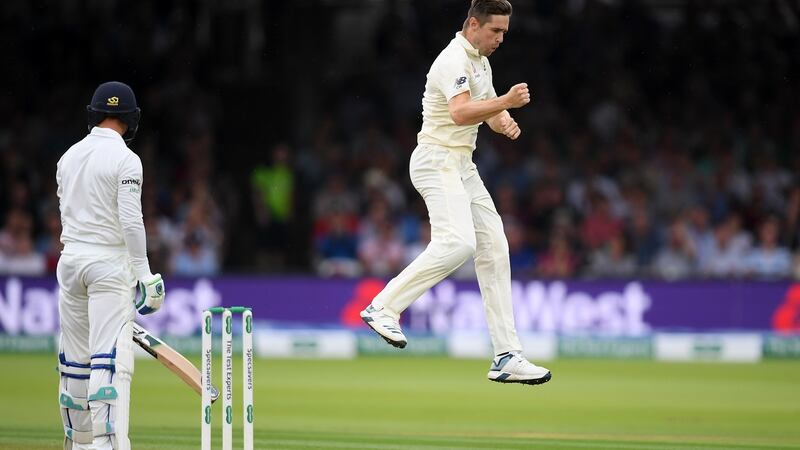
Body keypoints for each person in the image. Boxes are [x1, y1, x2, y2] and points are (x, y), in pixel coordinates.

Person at [360, 0, 551, 385]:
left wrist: (505, 119)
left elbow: (488, 113)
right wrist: (505, 102)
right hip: (436, 159)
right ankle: (382, 307)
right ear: (473, 23)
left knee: (494, 246)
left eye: (504, 33)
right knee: (459, 244)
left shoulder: (481, 62)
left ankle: (507, 355)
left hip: (462, 164)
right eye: (495, 31)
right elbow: (461, 113)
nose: (500, 39)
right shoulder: (452, 60)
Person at [56, 81, 165, 450]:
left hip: (70, 261)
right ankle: (107, 445)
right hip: (108, 265)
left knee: (74, 358)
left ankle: (78, 442)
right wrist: (145, 277)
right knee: (109, 359)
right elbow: (131, 222)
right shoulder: (126, 160)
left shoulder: (68, 157)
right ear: (130, 119)